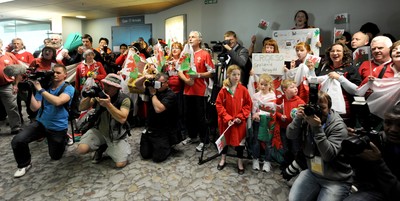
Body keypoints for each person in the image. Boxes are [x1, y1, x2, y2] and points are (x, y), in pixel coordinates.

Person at [11, 64, 74, 178]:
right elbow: (35, 107)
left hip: (57, 127)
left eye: (58, 73)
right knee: (18, 140)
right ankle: (24, 164)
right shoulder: (46, 86)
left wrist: (40, 89)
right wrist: (28, 91)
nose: (55, 74)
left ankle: (65, 136)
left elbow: (58, 101)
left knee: (55, 156)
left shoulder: (68, 88)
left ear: (65, 75)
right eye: (53, 72)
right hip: (41, 123)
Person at [286, 92, 352, 201]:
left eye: (322, 108)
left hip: (336, 179)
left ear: (330, 108)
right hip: (313, 172)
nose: (318, 112)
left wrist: (317, 128)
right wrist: (298, 118)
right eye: (315, 107)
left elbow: (328, 156)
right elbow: (290, 135)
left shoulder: (338, 126)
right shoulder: (308, 117)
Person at [343, 103, 400, 201]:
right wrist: (354, 146)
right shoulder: (379, 139)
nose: (393, 130)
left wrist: (378, 162)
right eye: (388, 123)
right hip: (371, 189)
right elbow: (360, 175)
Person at [77, 73, 132, 168]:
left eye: (109, 86)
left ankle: (111, 147)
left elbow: (122, 118)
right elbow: (81, 108)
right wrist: (89, 96)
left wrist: (108, 105)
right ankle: (101, 147)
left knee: (120, 164)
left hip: (116, 135)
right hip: (100, 130)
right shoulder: (99, 95)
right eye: (105, 85)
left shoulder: (124, 99)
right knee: (81, 149)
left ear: (117, 88)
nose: (105, 88)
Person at [180, 31, 215, 152]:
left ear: (199, 40)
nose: (190, 39)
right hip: (188, 89)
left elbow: (212, 72)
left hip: (201, 90)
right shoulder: (186, 54)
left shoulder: (205, 54)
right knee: (189, 116)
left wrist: (198, 76)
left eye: (193, 37)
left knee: (201, 117)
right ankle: (192, 136)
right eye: (189, 37)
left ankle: (204, 140)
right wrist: (186, 79)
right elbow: (181, 70)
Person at [215, 65, 252, 175]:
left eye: (238, 74)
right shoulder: (223, 90)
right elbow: (219, 105)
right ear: (229, 75)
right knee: (225, 141)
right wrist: (227, 118)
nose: (236, 77)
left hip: (239, 122)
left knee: (240, 143)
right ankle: (223, 159)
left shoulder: (243, 90)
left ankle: (240, 162)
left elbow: (248, 105)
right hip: (226, 122)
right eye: (234, 74)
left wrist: (240, 117)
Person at [135, 72, 178, 162]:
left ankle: (169, 144)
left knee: (158, 158)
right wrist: (144, 77)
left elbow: (159, 109)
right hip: (151, 127)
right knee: (145, 155)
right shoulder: (154, 89)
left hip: (164, 129)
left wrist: (153, 95)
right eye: (157, 83)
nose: (159, 85)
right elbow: (137, 84)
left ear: (167, 83)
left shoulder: (170, 95)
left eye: (161, 83)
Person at [315, 42, 361, 126]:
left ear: (344, 53)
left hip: (343, 113)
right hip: (323, 111)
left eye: (338, 51)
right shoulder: (324, 67)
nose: (335, 53)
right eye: (332, 51)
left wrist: (339, 78)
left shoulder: (351, 69)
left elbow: (356, 91)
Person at [250, 73, 281, 172]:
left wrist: (261, 111)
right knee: (256, 141)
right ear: (258, 84)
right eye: (261, 84)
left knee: (268, 142)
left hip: (268, 122)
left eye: (265, 85)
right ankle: (255, 159)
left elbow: (273, 110)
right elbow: (253, 109)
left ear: (270, 85)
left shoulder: (272, 95)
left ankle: (267, 161)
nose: (263, 87)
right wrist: (255, 114)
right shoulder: (255, 96)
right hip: (257, 121)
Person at [276, 79, 305, 169]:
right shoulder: (280, 100)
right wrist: (280, 116)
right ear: (285, 90)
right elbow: (275, 110)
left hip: (295, 130)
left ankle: (296, 167)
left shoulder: (299, 101)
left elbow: (304, 113)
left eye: (296, 87)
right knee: (286, 148)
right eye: (292, 87)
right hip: (283, 128)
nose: (295, 89)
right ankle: (287, 165)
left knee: (295, 148)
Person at [163, 42, 187, 140]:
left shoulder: (183, 61)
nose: (174, 50)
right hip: (169, 90)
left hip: (180, 89)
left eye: (177, 48)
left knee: (180, 111)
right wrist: (164, 67)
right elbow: (163, 74)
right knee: (169, 111)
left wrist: (177, 65)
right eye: (173, 48)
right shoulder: (167, 60)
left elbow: (185, 74)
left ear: (181, 50)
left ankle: (182, 132)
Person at [0, 38, 23, 134]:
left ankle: (16, 128)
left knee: (12, 107)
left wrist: (16, 84)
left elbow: (18, 70)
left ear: (1, 44)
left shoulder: (9, 55)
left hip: (7, 86)